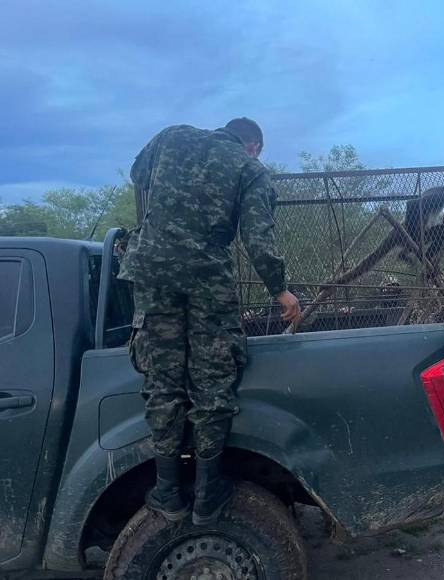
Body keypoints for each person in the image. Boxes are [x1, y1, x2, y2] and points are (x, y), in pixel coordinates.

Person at [119, 118, 300, 525]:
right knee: (212, 379)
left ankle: (166, 489)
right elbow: (258, 237)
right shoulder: (250, 169)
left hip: (152, 271)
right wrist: (280, 289)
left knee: (163, 379)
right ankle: (207, 492)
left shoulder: (171, 135)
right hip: (206, 280)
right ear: (254, 145)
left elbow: (138, 174)